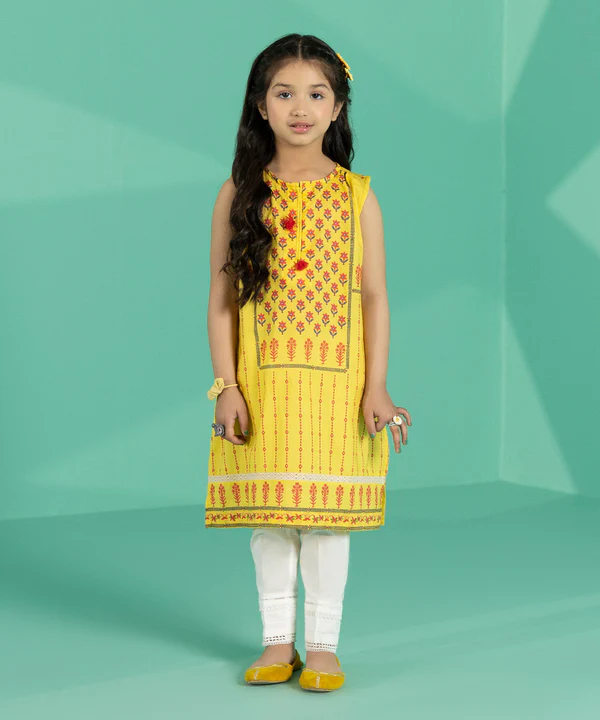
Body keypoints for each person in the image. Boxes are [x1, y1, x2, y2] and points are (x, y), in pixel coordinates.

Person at [204, 33, 412, 692]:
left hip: (338, 390)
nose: (301, 108)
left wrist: (377, 386)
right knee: (272, 519)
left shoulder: (357, 196)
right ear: (260, 105)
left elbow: (375, 297)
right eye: (284, 93)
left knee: (325, 522)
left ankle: (322, 646)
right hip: (264, 386)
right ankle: (276, 640)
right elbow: (221, 300)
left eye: (317, 94)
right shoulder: (239, 192)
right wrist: (226, 385)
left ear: (338, 106)